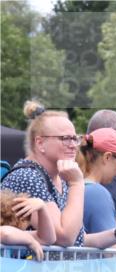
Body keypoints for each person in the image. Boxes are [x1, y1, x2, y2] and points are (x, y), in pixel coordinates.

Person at [1, 101, 82, 247]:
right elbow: (64, 238)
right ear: (40, 144)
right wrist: (77, 184)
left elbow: (79, 239)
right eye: (65, 138)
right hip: (25, 269)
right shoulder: (27, 177)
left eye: (75, 138)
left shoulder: (60, 179)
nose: (73, 145)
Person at [0, 190, 45, 259]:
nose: (29, 223)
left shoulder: (20, 235)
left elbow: (46, 238)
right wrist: (31, 241)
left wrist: (42, 208)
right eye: (26, 218)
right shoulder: (5, 232)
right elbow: (6, 233)